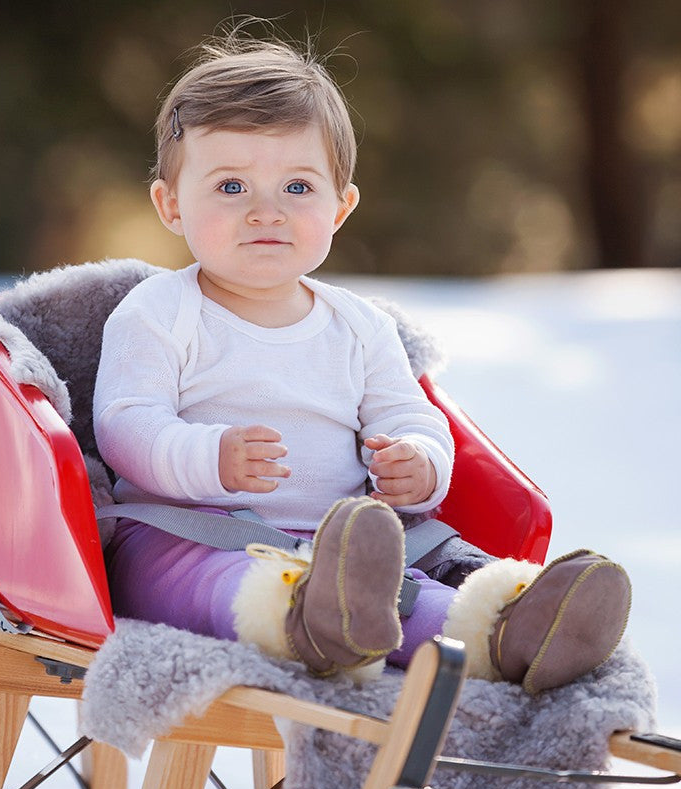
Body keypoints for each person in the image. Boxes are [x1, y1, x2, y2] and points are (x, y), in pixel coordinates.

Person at [93, 30, 630, 691]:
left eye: (297, 186)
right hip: (192, 532)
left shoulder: (358, 326)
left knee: (413, 583)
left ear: (340, 207)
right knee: (206, 579)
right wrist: (209, 457)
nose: (266, 212)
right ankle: (307, 621)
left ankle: (507, 634)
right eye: (231, 186)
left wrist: (418, 462)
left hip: (346, 551)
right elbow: (125, 422)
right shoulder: (159, 312)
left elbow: (413, 414)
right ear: (171, 204)